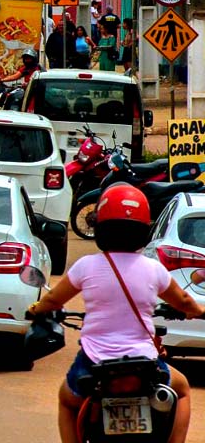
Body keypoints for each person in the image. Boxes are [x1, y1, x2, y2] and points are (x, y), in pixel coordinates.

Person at [27, 183, 205, 443]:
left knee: (67, 401)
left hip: (94, 363)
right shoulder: (153, 269)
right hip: (143, 364)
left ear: (100, 227)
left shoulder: (86, 266)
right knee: (183, 390)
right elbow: (184, 302)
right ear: (144, 229)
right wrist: (199, 311)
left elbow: (53, 299)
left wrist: (35, 309)